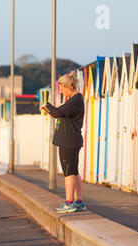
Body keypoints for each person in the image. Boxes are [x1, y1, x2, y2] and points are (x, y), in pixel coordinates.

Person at [41, 71, 86, 213]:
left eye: (62, 89)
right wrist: (51, 110)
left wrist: (47, 106)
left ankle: (68, 203)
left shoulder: (75, 100)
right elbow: (60, 111)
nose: (61, 91)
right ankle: (78, 202)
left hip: (69, 141)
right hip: (72, 139)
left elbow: (58, 112)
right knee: (74, 171)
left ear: (70, 87)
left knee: (68, 172)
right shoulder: (74, 100)